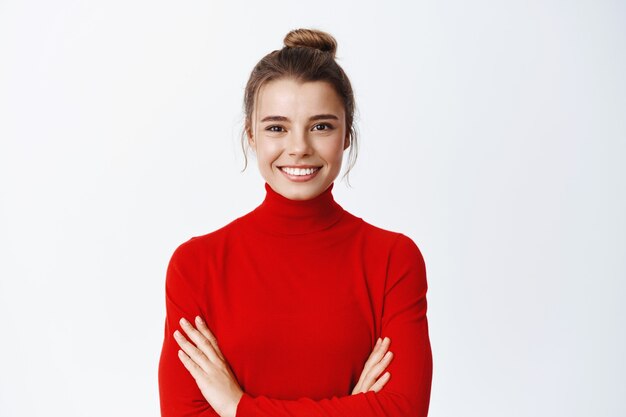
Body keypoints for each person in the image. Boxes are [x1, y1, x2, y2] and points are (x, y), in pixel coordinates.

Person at [158, 28, 433, 417]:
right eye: (276, 127)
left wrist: (238, 407)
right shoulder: (196, 265)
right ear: (251, 135)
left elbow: (402, 410)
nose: (299, 147)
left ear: (346, 136)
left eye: (321, 126)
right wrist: (356, 408)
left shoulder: (393, 260)